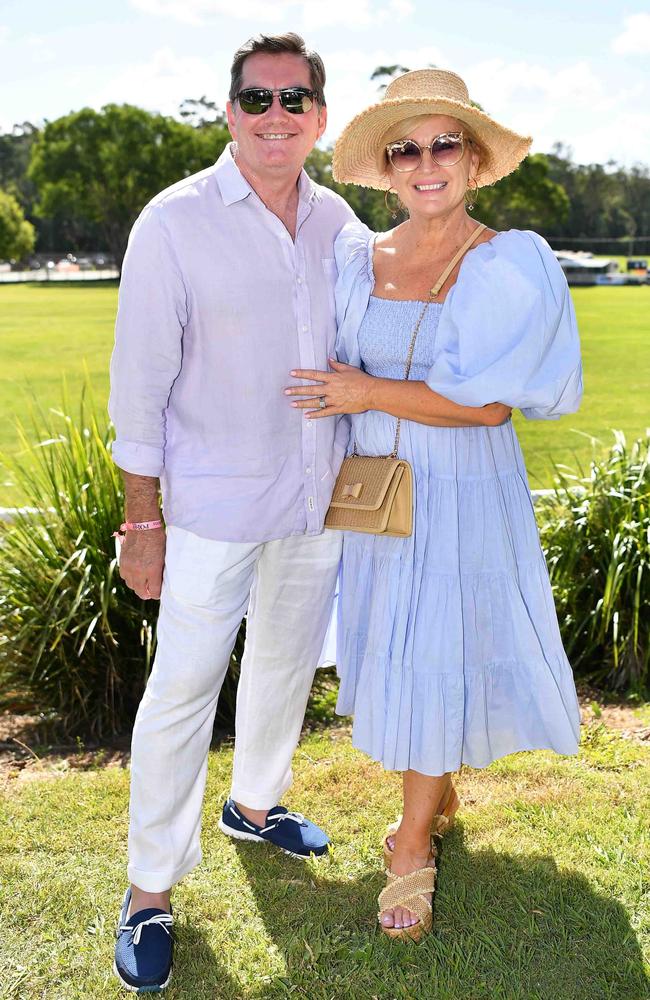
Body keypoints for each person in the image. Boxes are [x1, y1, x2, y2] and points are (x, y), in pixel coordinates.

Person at [284, 68, 583, 941]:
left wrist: (366, 390)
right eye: (405, 147)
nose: (425, 162)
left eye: (443, 143)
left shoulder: (505, 262)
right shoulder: (352, 260)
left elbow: (488, 406)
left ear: (476, 160)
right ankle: (438, 791)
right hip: (378, 488)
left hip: (460, 486)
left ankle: (410, 842)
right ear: (386, 165)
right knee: (400, 639)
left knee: (439, 639)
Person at [108, 32, 355, 992]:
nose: (276, 117)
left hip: (313, 494)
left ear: (320, 118)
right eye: (259, 100)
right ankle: (149, 892)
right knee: (182, 691)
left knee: (287, 662)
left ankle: (255, 805)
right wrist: (143, 517)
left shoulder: (340, 222)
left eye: (295, 101)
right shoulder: (172, 222)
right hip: (210, 502)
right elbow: (141, 381)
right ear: (230, 114)